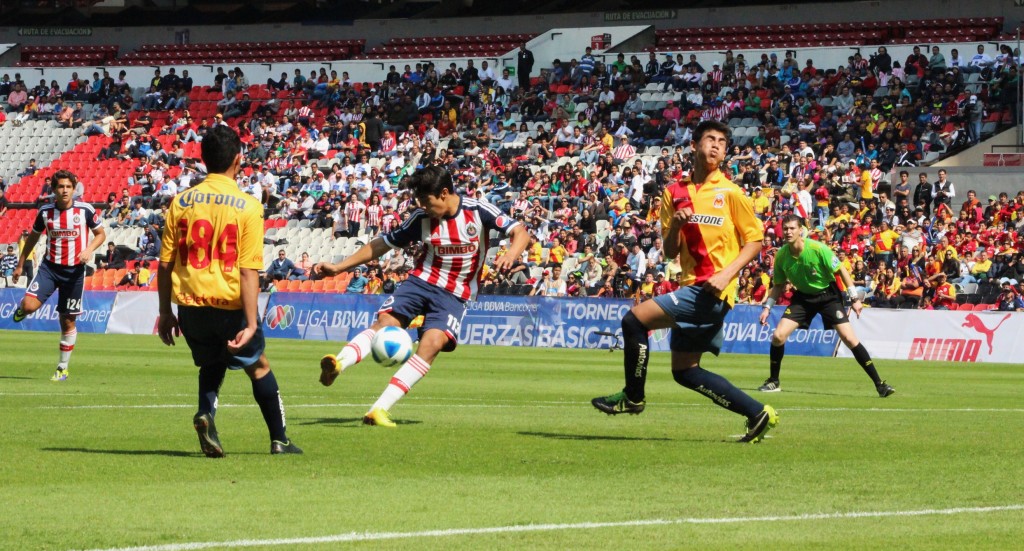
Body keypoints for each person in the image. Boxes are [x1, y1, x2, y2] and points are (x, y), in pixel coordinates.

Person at [590, 120, 778, 444]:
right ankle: (758, 412)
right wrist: (675, 226)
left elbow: (755, 242)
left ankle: (633, 398)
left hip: (712, 290)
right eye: (710, 139)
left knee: (633, 321)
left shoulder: (731, 193)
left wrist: (725, 274)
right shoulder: (673, 192)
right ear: (694, 145)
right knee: (685, 371)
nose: (716, 145)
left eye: (722, 141)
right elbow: (669, 250)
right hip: (691, 286)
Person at [314, 165, 529, 428]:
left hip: (455, 294)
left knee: (432, 344)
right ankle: (339, 362)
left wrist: (511, 254)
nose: (424, 208)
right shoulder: (420, 219)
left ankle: (377, 410)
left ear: (444, 193)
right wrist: (338, 267)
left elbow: (521, 231)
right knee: (384, 324)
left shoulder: (478, 210)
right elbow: (382, 244)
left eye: (427, 201)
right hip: (421, 281)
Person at [156, 125, 301, 457]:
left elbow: (165, 264)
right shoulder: (248, 206)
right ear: (239, 159)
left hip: (191, 306)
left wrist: (165, 312)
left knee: (211, 364)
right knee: (259, 366)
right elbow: (248, 270)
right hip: (231, 305)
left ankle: (206, 414)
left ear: (203, 159)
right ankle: (280, 440)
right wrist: (251, 323)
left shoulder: (180, 202)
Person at [757, 215, 895, 397]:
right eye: (786, 228)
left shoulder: (818, 248)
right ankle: (774, 381)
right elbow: (778, 286)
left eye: (792, 228)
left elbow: (842, 270)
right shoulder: (782, 255)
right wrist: (767, 308)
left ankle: (880, 384)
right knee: (778, 336)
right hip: (803, 298)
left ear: (801, 230)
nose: (788, 232)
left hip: (828, 296)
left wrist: (854, 298)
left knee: (849, 339)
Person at [9, 170, 106, 381]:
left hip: (74, 273)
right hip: (49, 269)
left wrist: (89, 250)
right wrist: (19, 265)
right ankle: (22, 309)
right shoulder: (45, 212)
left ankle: (62, 367)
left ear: (74, 188)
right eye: (60, 187)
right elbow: (33, 239)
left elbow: (101, 234)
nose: (64, 190)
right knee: (28, 306)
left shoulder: (85, 211)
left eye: (68, 187)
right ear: (53, 190)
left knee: (68, 321)